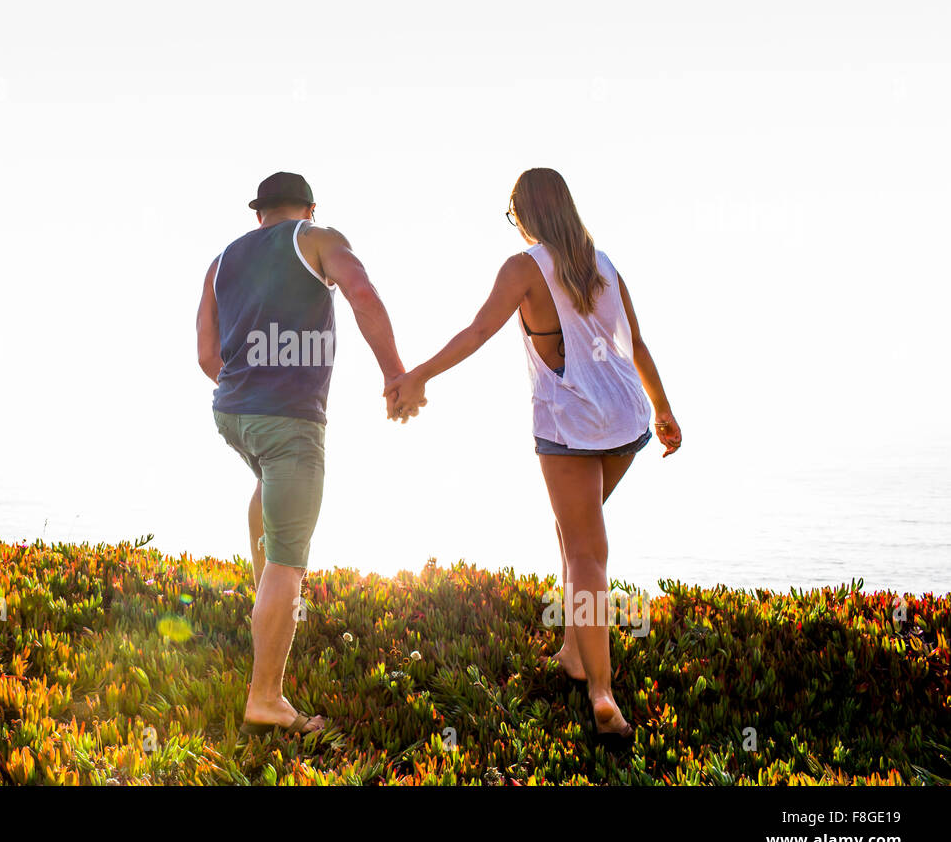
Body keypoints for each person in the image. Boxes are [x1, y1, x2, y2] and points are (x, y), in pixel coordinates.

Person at [385, 167, 681, 749]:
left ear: (524, 214)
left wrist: (416, 374)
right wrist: (665, 411)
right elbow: (636, 345)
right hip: (625, 419)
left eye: (511, 213)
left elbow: (476, 332)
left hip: (571, 425)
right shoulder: (605, 263)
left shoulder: (524, 268)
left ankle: (601, 693)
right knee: (576, 533)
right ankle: (574, 651)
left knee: (587, 552)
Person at [196, 171, 420, 737]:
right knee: (289, 560)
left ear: (258, 214)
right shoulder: (318, 239)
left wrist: (248, 389)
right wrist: (395, 372)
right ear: (310, 209)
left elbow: (205, 354)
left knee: (267, 486)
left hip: (232, 415)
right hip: (290, 423)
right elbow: (363, 293)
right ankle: (266, 698)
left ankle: (264, 603)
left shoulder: (220, 262)